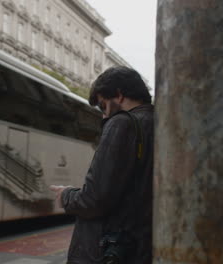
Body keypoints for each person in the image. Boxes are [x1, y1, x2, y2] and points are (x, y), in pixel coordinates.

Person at [50, 66, 154, 264]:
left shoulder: (121, 124)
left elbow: (94, 199)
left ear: (119, 95)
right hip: (140, 248)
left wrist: (66, 195)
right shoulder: (158, 123)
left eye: (103, 105)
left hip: (109, 251)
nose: (104, 116)